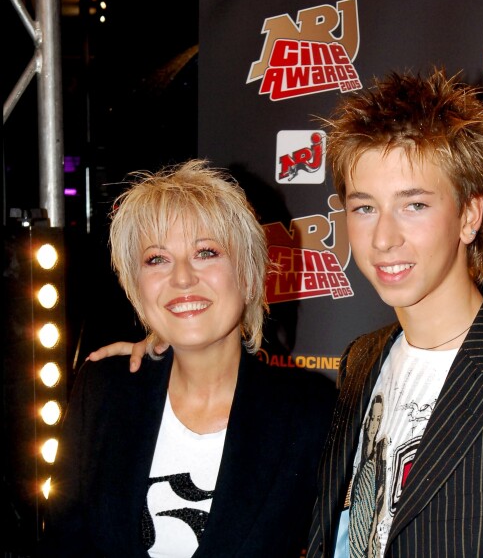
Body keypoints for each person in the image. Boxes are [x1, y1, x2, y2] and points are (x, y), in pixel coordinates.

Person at [89, 68, 483, 558]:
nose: (384, 238)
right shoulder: (361, 363)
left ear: (470, 215)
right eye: (364, 208)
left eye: (413, 205)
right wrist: (171, 341)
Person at [39, 159, 337, 558]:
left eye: (206, 252)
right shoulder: (104, 390)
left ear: (249, 276)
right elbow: (61, 543)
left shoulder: (313, 414)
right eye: (156, 259)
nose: (181, 278)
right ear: (135, 285)